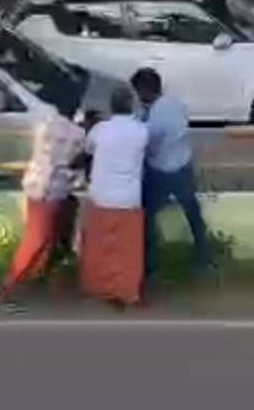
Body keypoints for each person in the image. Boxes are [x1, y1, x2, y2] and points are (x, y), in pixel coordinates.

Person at [130, 68, 211, 278]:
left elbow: (149, 145)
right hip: (182, 164)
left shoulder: (155, 118)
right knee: (193, 214)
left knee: (147, 217)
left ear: (144, 90)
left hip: (161, 169)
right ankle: (203, 258)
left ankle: (150, 265)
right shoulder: (174, 104)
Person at [0, 111, 84, 302]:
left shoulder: (44, 124)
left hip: (36, 185)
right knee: (40, 238)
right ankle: (12, 282)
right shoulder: (77, 133)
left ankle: (31, 278)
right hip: (53, 189)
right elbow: (75, 161)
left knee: (45, 236)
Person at [80, 87, 148, 305]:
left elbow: (88, 149)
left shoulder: (100, 130)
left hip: (100, 194)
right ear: (131, 105)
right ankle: (127, 291)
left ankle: (99, 286)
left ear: (111, 106)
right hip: (128, 198)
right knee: (127, 250)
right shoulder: (141, 131)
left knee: (100, 246)